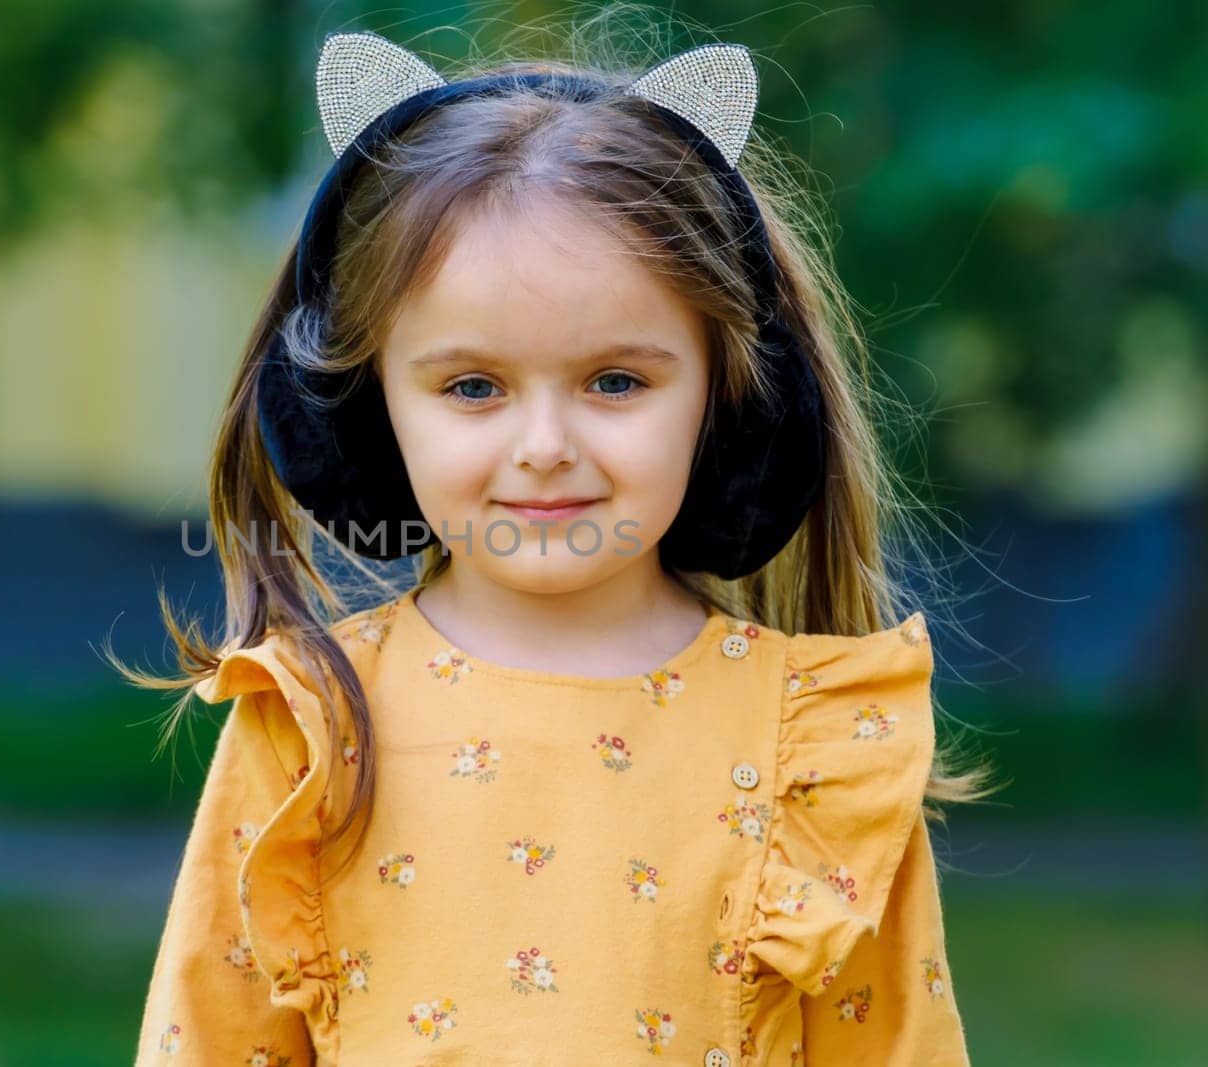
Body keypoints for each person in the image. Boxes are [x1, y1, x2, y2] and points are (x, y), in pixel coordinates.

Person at [113, 28, 1001, 1066]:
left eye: (615, 381)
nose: (544, 448)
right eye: (472, 386)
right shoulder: (308, 725)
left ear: (723, 393)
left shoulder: (818, 751)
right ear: (367, 403)